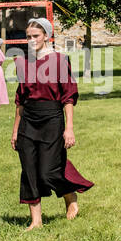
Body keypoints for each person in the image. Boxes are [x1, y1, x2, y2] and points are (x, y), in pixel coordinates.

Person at [12, 17, 93, 229]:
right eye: (28, 36)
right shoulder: (22, 62)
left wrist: (69, 128)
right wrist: (15, 132)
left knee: (48, 170)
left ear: (46, 36)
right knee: (29, 170)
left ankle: (69, 195)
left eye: (35, 36)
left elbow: (68, 96)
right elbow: (20, 100)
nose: (31, 40)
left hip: (52, 118)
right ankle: (36, 221)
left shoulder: (59, 60)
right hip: (28, 120)